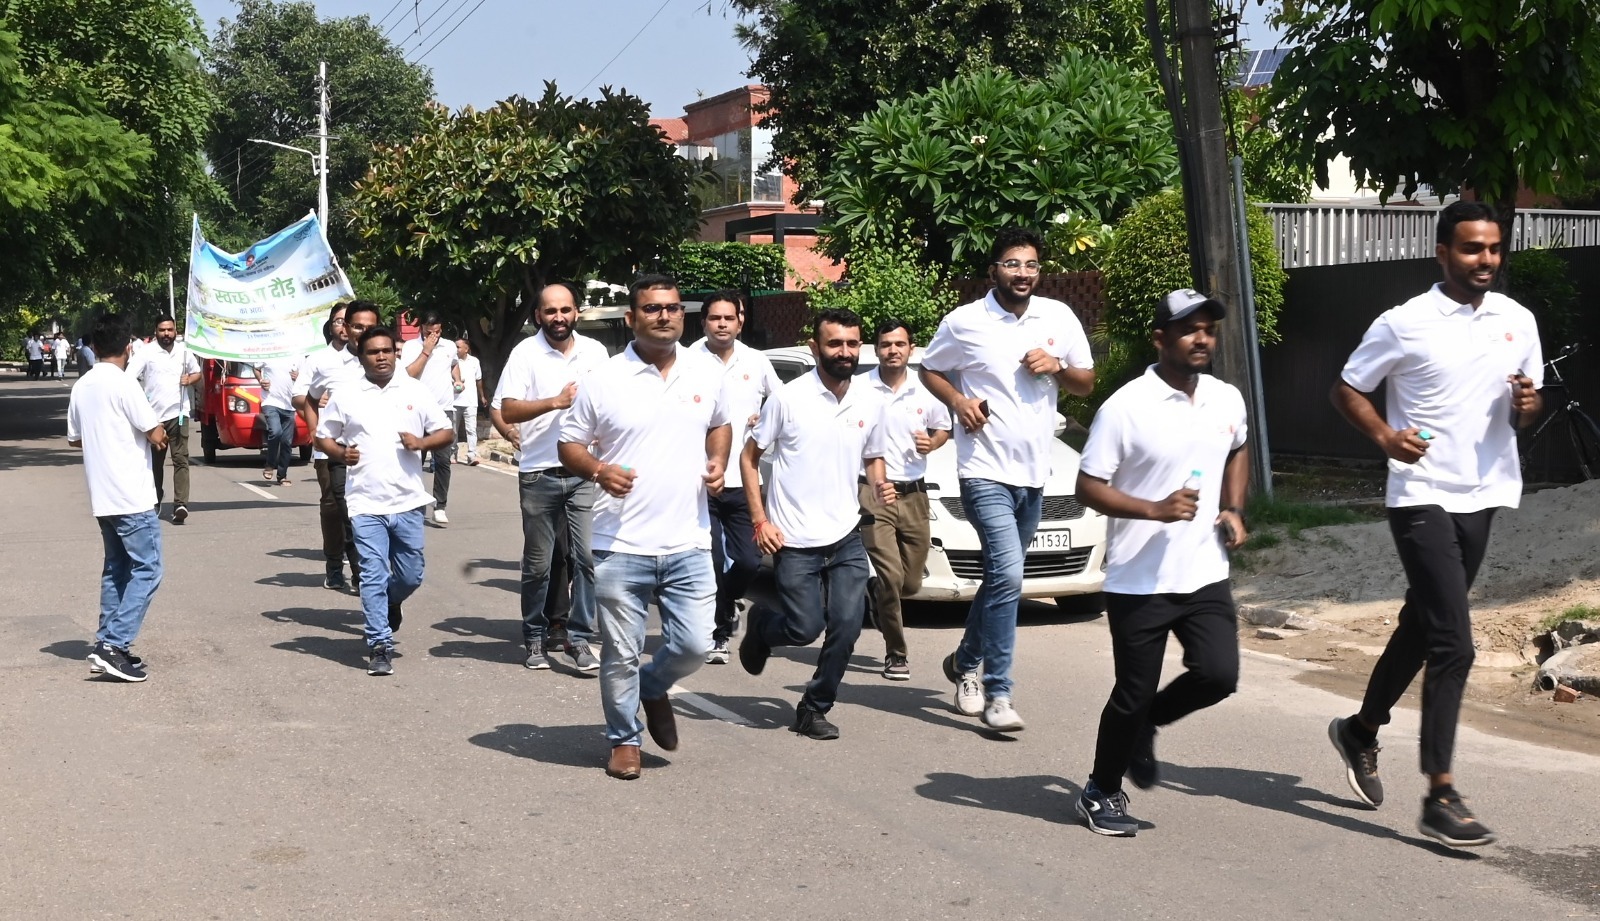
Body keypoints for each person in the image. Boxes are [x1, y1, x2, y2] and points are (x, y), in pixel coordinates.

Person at [1327, 201, 1543, 849]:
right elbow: (1347, 388)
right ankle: (1440, 794)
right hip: (1420, 493)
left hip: (1486, 492)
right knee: (1455, 642)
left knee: (1423, 625)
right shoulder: (1405, 322)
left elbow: (1524, 410)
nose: (1486, 260)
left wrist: (1528, 405)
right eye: (1473, 248)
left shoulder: (1517, 320)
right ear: (1443, 252)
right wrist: (1385, 437)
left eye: (1494, 248)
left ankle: (1360, 730)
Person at [1071, 289, 1250, 837]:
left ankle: (1149, 723)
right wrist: (1155, 509)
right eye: (1189, 329)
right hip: (1139, 579)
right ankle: (1100, 790)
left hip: (1204, 571)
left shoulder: (1226, 398)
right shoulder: (1125, 408)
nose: (1202, 339)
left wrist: (1233, 508)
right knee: (1131, 694)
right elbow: (1087, 486)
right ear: (1159, 339)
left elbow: (1238, 448)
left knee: (1218, 675)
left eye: (1208, 330)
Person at [920, 225, 1095, 731]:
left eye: (1031, 265)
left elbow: (1085, 383)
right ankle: (998, 692)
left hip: (1035, 475)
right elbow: (930, 369)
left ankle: (963, 662)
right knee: (1011, 577)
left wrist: (1057, 365)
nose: (1023, 273)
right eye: (1013, 264)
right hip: (983, 471)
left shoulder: (1057, 317)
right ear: (993, 269)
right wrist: (959, 402)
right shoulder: (965, 322)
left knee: (1002, 578)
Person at [558, 274, 731, 779]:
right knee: (620, 653)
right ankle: (624, 739)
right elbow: (569, 444)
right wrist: (598, 470)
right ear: (631, 318)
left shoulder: (705, 371)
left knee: (697, 645)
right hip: (620, 544)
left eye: (673, 308)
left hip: (689, 540)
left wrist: (718, 460)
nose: (665, 316)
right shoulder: (603, 379)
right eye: (653, 309)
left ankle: (653, 686)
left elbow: (720, 424)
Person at [738, 308, 896, 740]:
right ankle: (763, 627)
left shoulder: (870, 400)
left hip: (845, 535)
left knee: (847, 624)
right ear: (815, 347)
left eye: (852, 343)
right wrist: (760, 520)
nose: (845, 352)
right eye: (834, 344)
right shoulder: (788, 399)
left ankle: (813, 707)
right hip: (794, 539)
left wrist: (879, 483)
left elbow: (873, 456)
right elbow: (749, 459)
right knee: (804, 628)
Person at [315, 324, 455, 676]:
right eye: (373, 352)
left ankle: (392, 601)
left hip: (408, 502)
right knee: (372, 575)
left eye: (386, 351)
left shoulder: (414, 390)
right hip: (365, 503)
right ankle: (379, 644)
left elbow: (446, 432)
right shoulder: (347, 394)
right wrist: (340, 453)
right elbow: (322, 437)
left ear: (396, 353)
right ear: (361, 357)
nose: (381, 357)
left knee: (411, 575)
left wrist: (422, 443)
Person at [494, 282, 609, 671]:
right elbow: (508, 410)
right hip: (539, 473)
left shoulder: (596, 353)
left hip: (584, 472)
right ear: (538, 316)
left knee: (587, 559)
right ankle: (534, 637)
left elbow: (610, 403)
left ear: (577, 311)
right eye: (550, 311)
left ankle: (579, 638)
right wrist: (554, 402)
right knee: (539, 565)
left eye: (565, 310)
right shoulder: (525, 353)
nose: (558, 317)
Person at [67, 312, 169, 682]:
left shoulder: (82, 386)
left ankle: (107, 643)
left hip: (103, 493)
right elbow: (155, 433)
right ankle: (114, 643)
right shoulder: (125, 384)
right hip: (131, 495)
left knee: (117, 568)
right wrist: (159, 433)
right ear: (128, 347)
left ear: (94, 347)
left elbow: (75, 439)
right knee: (149, 568)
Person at [691, 290, 783, 665]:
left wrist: (766, 415)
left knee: (748, 562)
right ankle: (719, 633)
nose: (722, 324)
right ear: (704, 322)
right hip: (701, 482)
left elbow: (782, 402)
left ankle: (727, 603)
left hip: (744, 482)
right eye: (715, 318)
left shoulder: (757, 361)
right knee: (712, 561)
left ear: (740, 321)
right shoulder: (688, 361)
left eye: (729, 318)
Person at [859, 318, 952, 681]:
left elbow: (943, 427)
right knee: (891, 575)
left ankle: (876, 595)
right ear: (876, 349)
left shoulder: (925, 389)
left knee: (910, 583)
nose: (893, 350)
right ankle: (896, 653)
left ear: (911, 349)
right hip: (874, 492)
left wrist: (933, 442)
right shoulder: (859, 389)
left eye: (900, 344)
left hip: (914, 494)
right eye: (886, 344)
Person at [295, 302, 378, 591]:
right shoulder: (322, 361)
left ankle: (365, 571)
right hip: (331, 449)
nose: (350, 328)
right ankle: (337, 565)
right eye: (341, 322)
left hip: (372, 451)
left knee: (361, 512)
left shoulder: (381, 357)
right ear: (335, 326)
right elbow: (301, 396)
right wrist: (316, 429)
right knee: (335, 507)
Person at [131, 315, 201, 524]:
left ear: (175, 330)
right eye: (162, 330)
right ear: (156, 331)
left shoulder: (184, 351)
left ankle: (180, 504)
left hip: (179, 414)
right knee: (155, 463)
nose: (166, 334)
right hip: (154, 419)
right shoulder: (146, 352)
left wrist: (190, 379)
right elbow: (129, 377)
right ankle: (155, 499)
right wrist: (141, 406)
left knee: (181, 459)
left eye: (170, 329)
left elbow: (197, 373)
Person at [399, 312, 463, 525]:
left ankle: (440, 505)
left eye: (436, 332)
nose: (433, 336)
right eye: (428, 332)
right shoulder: (411, 347)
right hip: (416, 410)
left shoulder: (449, 346)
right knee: (414, 460)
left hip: (444, 410)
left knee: (443, 461)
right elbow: (409, 374)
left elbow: (454, 364)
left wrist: (457, 379)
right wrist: (426, 350)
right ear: (421, 329)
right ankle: (411, 503)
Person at [256, 355, 300, 485]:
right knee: (275, 432)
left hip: (290, 404)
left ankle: (282, 475)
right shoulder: (269, 351)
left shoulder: (297, 355)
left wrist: (299, 377)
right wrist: (261, 380)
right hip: (270, 401)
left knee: (286, 442)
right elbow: (256, 368)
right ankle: (269, 465)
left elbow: (307, 376)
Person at [453, 338, 486, 465]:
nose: (456, 349)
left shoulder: (474, 361)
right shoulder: (452, 361)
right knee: (453, 430)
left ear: (466, 349)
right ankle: (453, 454)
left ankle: (472, 455)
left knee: (471, 429)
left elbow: (479, 379)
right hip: (454, 401)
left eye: (458, 347)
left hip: (471, 402)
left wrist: (482, 396)